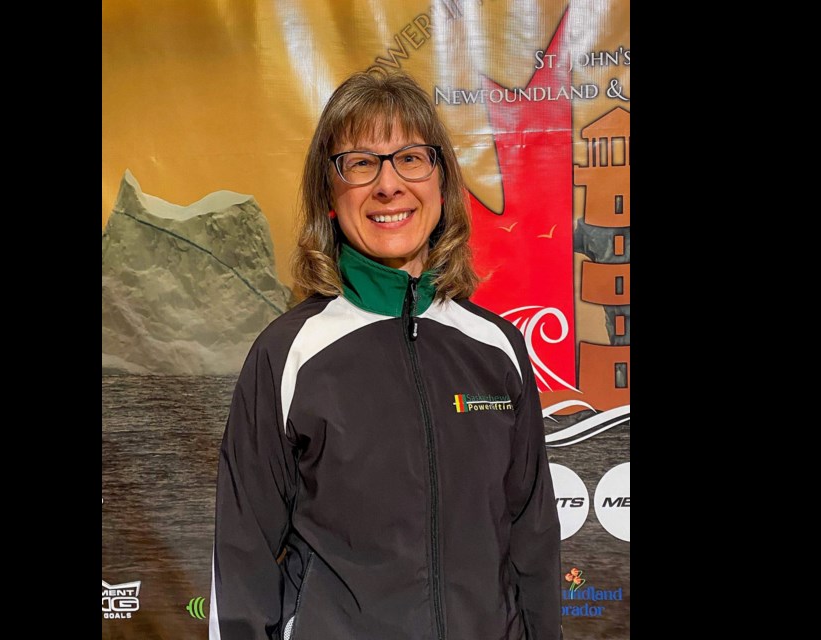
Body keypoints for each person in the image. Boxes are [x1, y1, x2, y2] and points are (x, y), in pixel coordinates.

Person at [209, 70, 562, 640]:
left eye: (410, 158)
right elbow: (242, 562)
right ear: (329, 192)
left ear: (442, 182)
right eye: (361, 162)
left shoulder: (497, 348)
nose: (389, 185)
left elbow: (534, 543)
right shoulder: (288, 354)